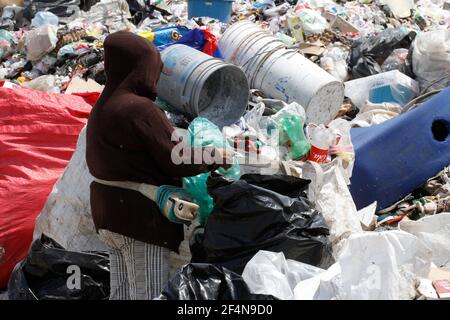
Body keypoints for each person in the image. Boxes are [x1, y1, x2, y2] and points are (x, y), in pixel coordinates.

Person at [86, 31, 230, 300]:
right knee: (148, 295)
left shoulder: (104, 105)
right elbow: (176, 157)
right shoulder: (140, 109)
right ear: (140, 68)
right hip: (139, 220)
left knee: (122, 295)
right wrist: (216, 156)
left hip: (108, 214)